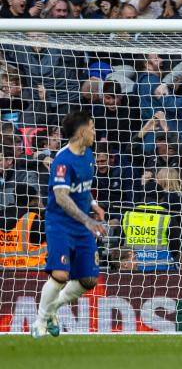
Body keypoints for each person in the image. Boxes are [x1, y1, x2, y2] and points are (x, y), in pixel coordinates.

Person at [32, 111, 108, 338]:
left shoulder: (89, 154)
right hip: (60, 224)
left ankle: (52, 309)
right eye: (92, 128)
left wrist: (93, 204)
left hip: (82, 224)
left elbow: (82, 187)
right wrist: (88, 220)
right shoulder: (63, 161)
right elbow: (61, 197)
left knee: (89, 279)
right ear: (82, 131)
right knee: (60, 274)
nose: (95, 132)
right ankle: (39, 322)